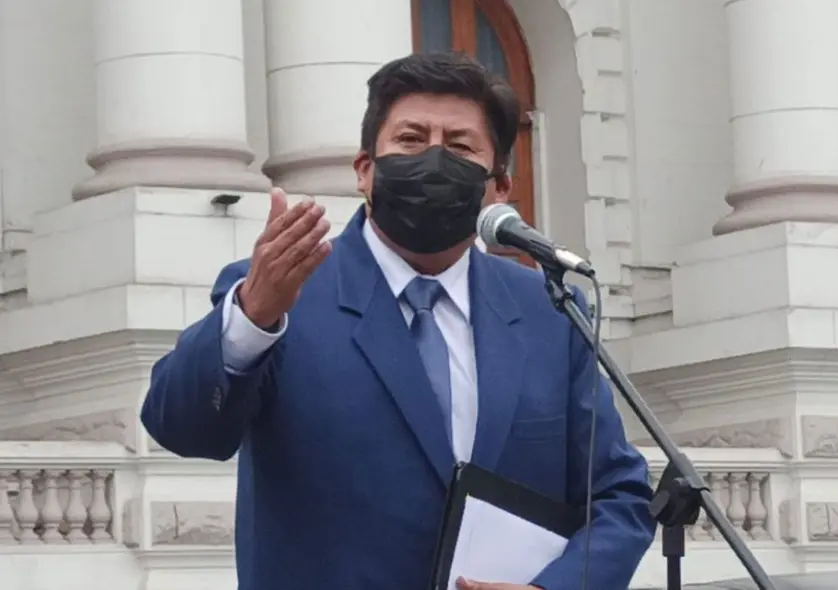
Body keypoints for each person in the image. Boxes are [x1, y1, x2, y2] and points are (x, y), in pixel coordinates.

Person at [141, 51, 654, 590]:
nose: (434, 159)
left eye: (459, 146)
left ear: (498, 187)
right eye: (411, 139)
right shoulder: (279, 292)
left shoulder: (549, 309)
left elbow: (619, 494)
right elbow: (181, 427)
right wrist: (252, 316)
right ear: (365, 170)